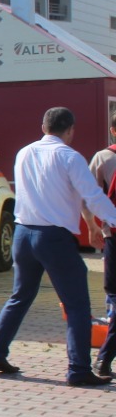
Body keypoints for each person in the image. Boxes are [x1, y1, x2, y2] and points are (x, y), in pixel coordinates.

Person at [0, 107, 116, 386]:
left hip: (23, 233)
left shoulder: (24, 152)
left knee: (20, 296)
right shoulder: (70, 156)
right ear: (70, 130)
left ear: (43, 127)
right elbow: (93, 196)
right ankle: (79, 370)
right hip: (53, 238)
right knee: (78, 304)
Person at [87, 113, 116, 322]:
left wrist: (91, 226)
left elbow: (88, 196)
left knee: (113, 286)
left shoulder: (103, 158)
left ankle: (112, 323)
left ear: (113, 131)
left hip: (113, 232)